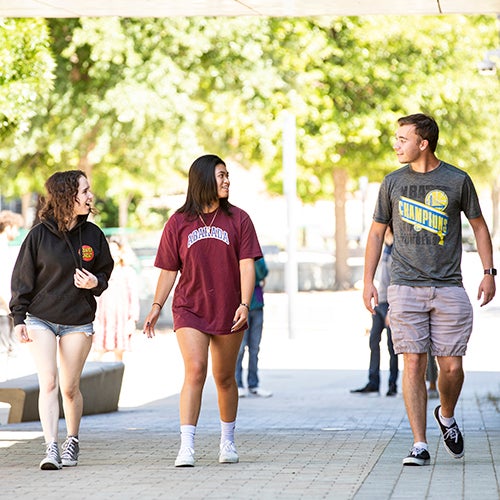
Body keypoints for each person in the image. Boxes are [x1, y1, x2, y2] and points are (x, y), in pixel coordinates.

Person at [363, 113, 496, 467]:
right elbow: (377, 234)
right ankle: (419, 443)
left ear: (423, 143)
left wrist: (488, 272)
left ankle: (447, 415)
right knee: (412, 364)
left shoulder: (457, 180)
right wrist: (367, 282)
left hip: (449, 286)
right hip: (404, 286)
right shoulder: (392, 183)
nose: (396, 144)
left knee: (451, 367)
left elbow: (480, 227)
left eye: (402, 138)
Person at [142, 154, 262, 467]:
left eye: (227, 175)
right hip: (189, 308)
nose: (227, 181)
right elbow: (168, 270)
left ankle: (227, 441)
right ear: (204, 179)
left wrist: (245, 304)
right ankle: (187, 446)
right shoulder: (178, 222)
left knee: (224, 378)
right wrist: (156, 306)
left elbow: (246, 265)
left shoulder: (239, 219)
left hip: (227, 308)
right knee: (195, 370)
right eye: (221, 175)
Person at [9, 170, 114, 470]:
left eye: (88, 190)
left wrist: (94, 281)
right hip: (41, 318)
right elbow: (22, 280)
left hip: (78, 320)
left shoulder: (93, 235)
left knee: (69, 387)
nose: (90, 196)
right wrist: (19, 318)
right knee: (49, 383)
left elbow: (106, 272)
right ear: (67, 196)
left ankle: (72, 440)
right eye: (84, 191)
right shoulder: (38, 235)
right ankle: (50, 447)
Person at [351, 226, 398, 397]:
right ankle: (373, 382)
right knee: (373, 342)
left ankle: (392, 385)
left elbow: (397, 280)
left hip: (391, 303)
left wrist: (393, 309)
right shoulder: (384, 248)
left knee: (392, 347)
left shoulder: (397, 249)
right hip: (380, 302)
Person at [93, 237, 140, 361]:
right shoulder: (101, 272)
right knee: (98, 352)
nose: (113, 253)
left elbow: (133, 297)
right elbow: (96, 296)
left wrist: (132, 320)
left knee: (119, 353)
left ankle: (116, 379)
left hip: (121, 318)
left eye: (116, 250)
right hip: (104, 318)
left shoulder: (128, 272)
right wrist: (94, 318)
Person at [236, 256, 272, 398]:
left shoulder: (258, 257)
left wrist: (252, 260)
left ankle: (253, 383)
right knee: (239, 348)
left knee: (255, 347)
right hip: (239, 306)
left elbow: (262, 273)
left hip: (257, 306)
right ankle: (237, 383)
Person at [0, 210, 24, 357]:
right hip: (4, 308)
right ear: (8, 227)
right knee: (4, 351)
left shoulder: (5, 247)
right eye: (16, 228)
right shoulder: (2, 248)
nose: (17, 232)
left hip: (7, 306)